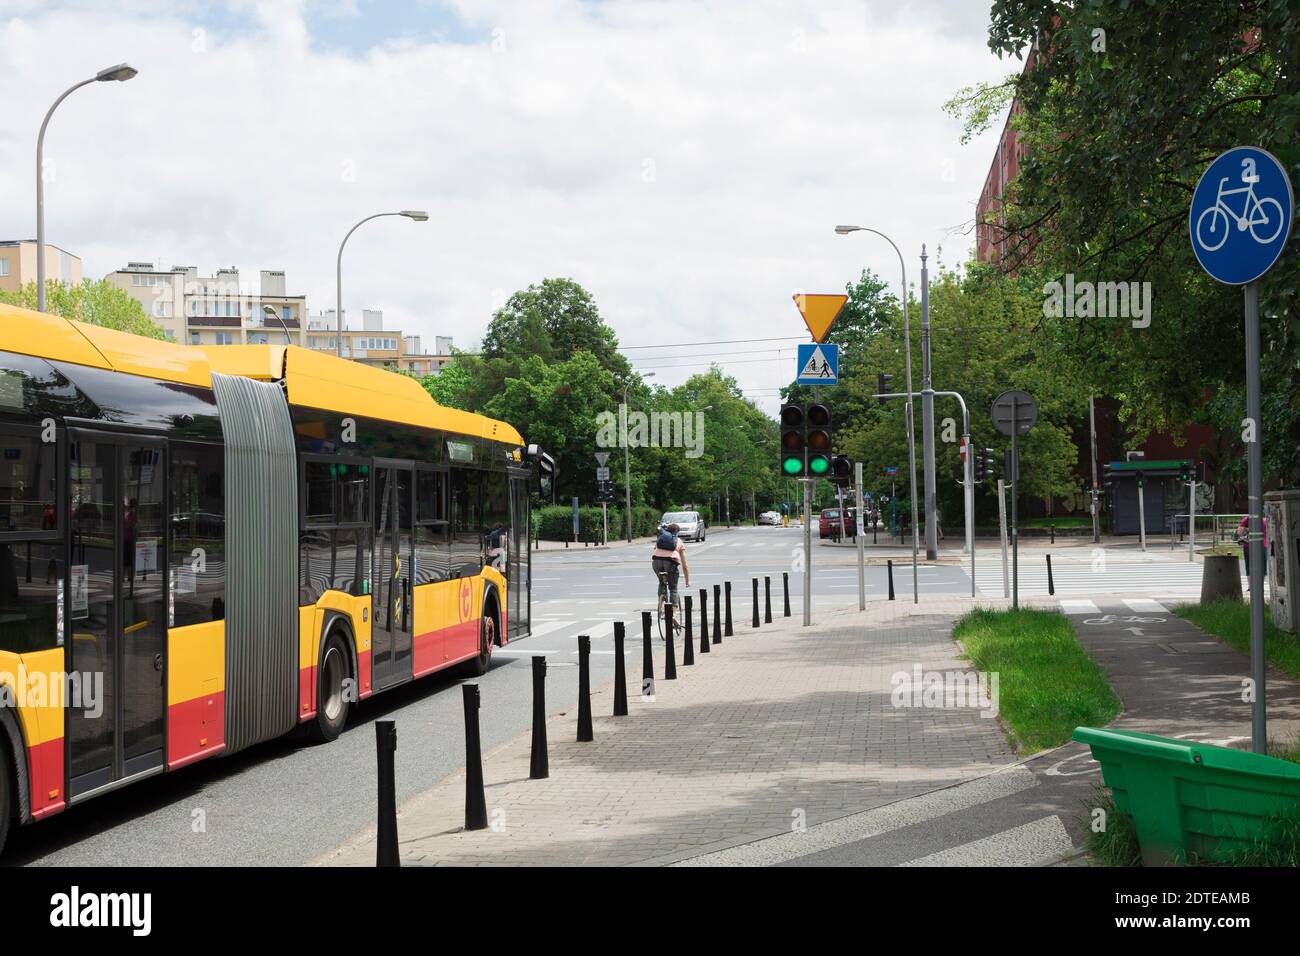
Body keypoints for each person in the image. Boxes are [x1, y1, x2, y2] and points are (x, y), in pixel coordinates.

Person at [651, 522, 690, 611]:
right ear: (677, 532)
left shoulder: (661, 538)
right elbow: (685, 565)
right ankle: (673, 611)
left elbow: (655, 549)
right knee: (673, 588)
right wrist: (687, 582)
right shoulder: (678, 541)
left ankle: (661, 607)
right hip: (670, 563)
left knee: (662, 583)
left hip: (656, 562)